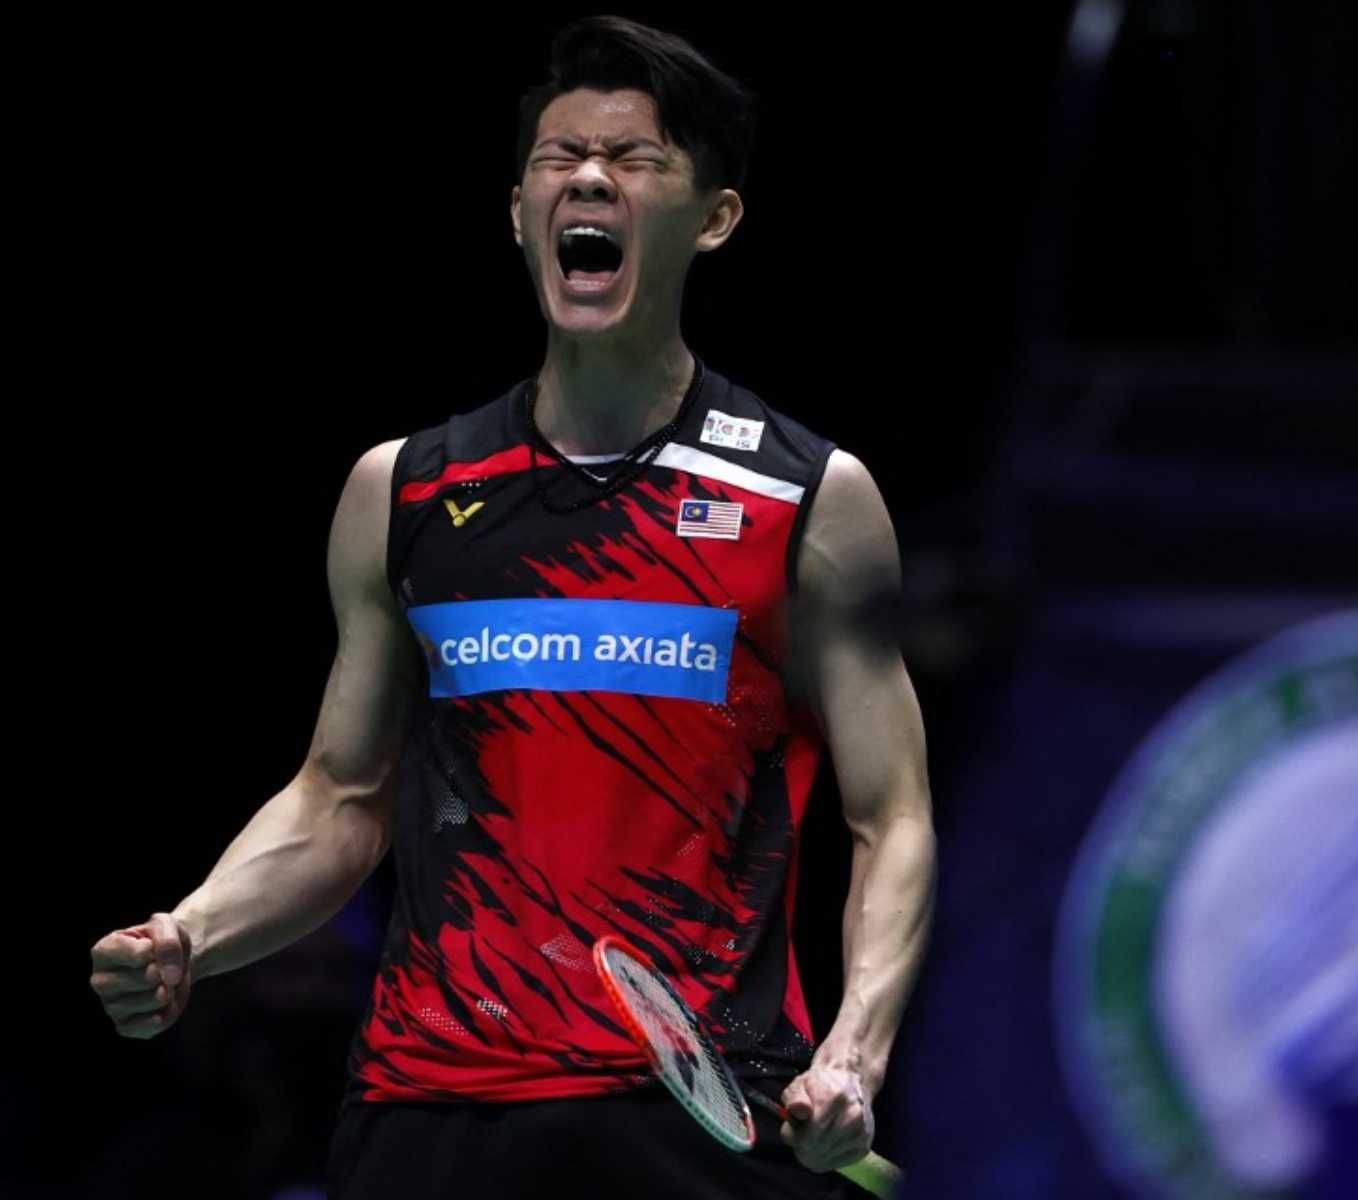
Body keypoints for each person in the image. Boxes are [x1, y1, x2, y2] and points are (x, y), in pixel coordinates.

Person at [89, 16, 935, 1198]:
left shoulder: (805, 501)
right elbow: (340, 800)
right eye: (560, 157)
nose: (589, 177)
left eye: (635, 158)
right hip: (429, 1111)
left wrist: (857, 1050)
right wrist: (192, 933)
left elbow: (889, 816)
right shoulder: (409, 491)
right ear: (522, 212)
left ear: (716, 218)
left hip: (699, 1116)